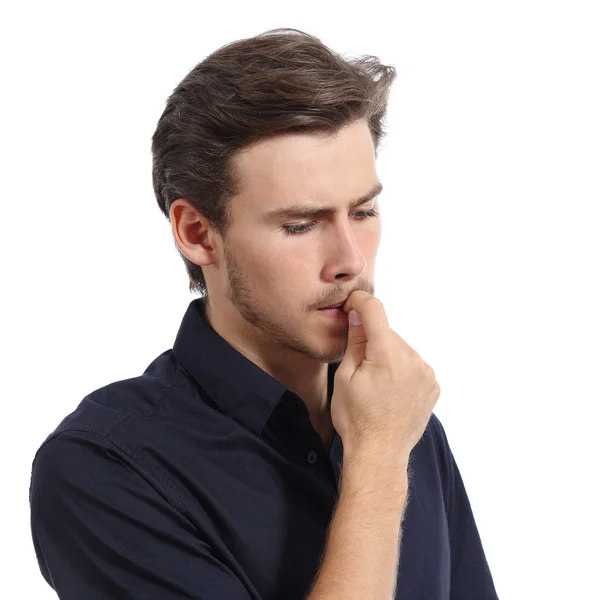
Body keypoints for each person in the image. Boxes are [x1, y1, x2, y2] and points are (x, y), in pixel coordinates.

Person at [29, 28, 499, 600]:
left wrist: (387, 438)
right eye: (301, 225)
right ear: (198, 233)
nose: (350, 261)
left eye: (365, 210)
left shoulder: (402, 420)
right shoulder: (102, 468)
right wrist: (376, 459)